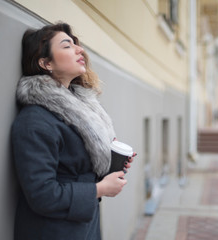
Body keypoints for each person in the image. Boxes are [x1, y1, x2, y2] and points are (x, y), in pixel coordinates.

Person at [11, 23, 136, 240]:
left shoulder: (82, 112)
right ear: (46, 63)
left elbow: (79, 171)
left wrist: (112, 165)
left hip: (83, 226)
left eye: (77, 45)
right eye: (67, 46)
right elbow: (42, 195)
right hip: (54, 232)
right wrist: (100, 189)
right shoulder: (35, 121)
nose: (80, 50)